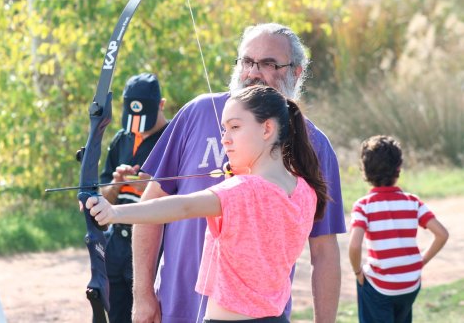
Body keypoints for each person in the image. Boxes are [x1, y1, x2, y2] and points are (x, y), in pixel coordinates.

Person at [133, 23, 345, 323]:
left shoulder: (313, 144)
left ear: (296, 72)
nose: (253, 72)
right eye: (247, 61)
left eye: (269, 64)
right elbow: (151, 206)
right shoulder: (197, 112)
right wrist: (143, 296)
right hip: (176, 310)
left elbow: (323, 250)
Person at [88, 85, 328, 322]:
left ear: (267, 128)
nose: (225, 140)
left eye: (235, 127)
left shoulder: (241, 190)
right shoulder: (305, 191)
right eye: (223, 130)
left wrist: (113, 212)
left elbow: (183, 207)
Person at [348, 135, 449, 323]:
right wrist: (421, 261)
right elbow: (442, 234)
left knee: (367, 284)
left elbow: (354, 246)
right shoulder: (413, 202)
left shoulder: (364, 206)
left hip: (380, 287)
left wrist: (357, 272)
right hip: (410, 283)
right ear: (398, 169)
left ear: (365, 171)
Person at [98, 73, 169, 323]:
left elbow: (184, 198)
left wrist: (148, 190)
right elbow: (102, 197)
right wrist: (117, 185)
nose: (138, 124)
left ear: (161, 104)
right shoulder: (122, 138)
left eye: (145, 116)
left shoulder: (173, 138)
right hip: (116, 246)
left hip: (154, 247)